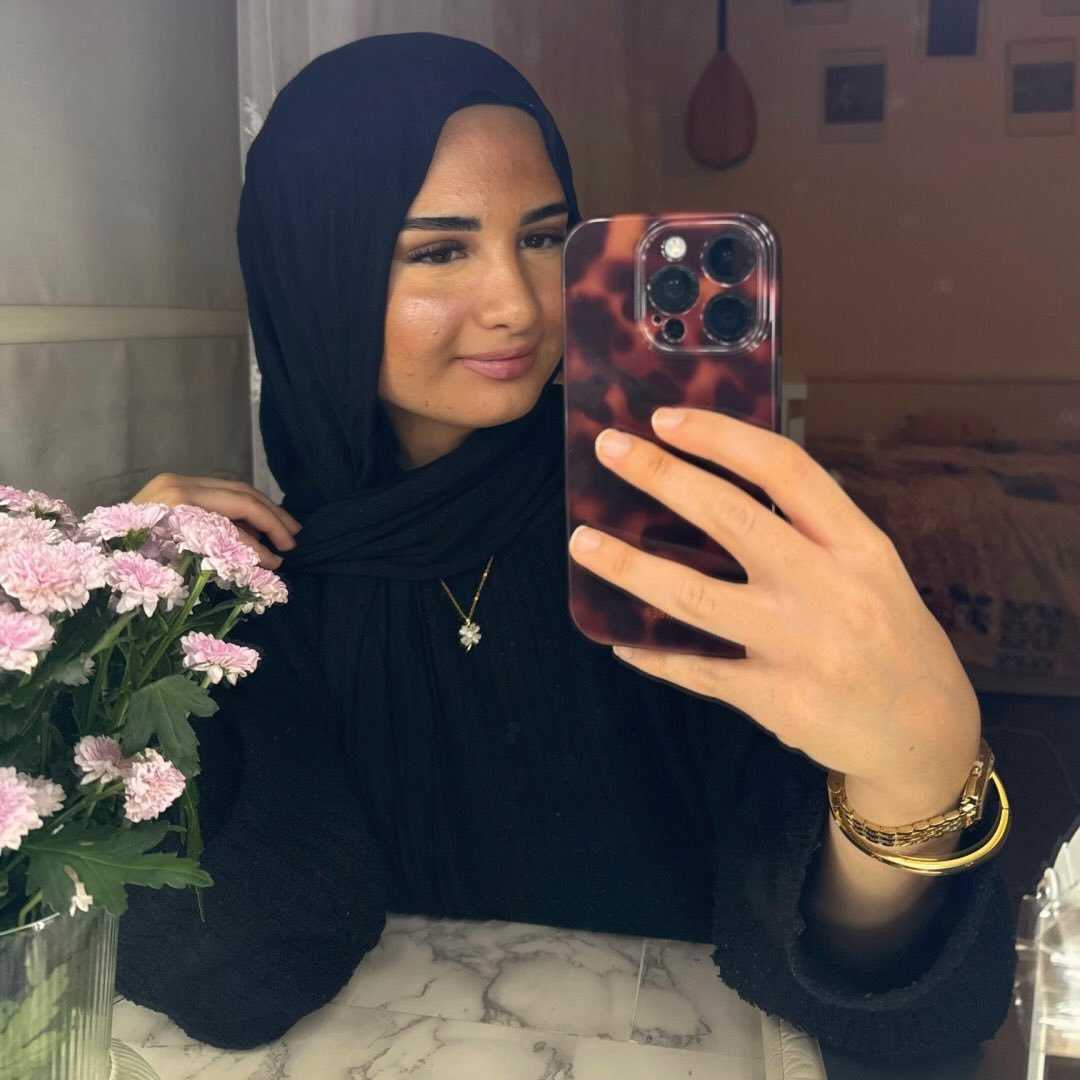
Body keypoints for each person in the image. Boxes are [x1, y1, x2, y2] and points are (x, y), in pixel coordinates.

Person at [117, 33, 1016, 1062]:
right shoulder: (255, 593)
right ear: (310, 274)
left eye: (546, 238)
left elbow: (851, 981)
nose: (518, 303)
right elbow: (239, 977)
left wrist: (912, 787)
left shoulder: (670, 533)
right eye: (438, 250)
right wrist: (117, 626)